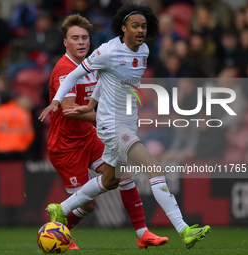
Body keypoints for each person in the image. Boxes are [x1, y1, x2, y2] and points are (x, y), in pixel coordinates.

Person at [39, 3, 211, 249]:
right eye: (135, 26)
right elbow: (76, 76)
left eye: (143, 26)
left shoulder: (144, 51)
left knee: (112, 179)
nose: (140, 30)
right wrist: (57, 101)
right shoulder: (107, 52)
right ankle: (184, 230)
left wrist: (90, 105)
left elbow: (108, 80)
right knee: (153, 168)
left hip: (121, 126)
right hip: (109, 129)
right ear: (123, 28)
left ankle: (62, 208)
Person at [45, 13, 168, 250]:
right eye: (75, 38)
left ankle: (142, 233)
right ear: (65, 42)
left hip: (90, 137)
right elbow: (70, 110)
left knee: (123, 175)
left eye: (84, 37)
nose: (81, 42)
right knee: (88, 205)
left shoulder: (93, 63)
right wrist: (111, 120)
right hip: (66, 146)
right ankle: (60, 230)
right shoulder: (63, 69)